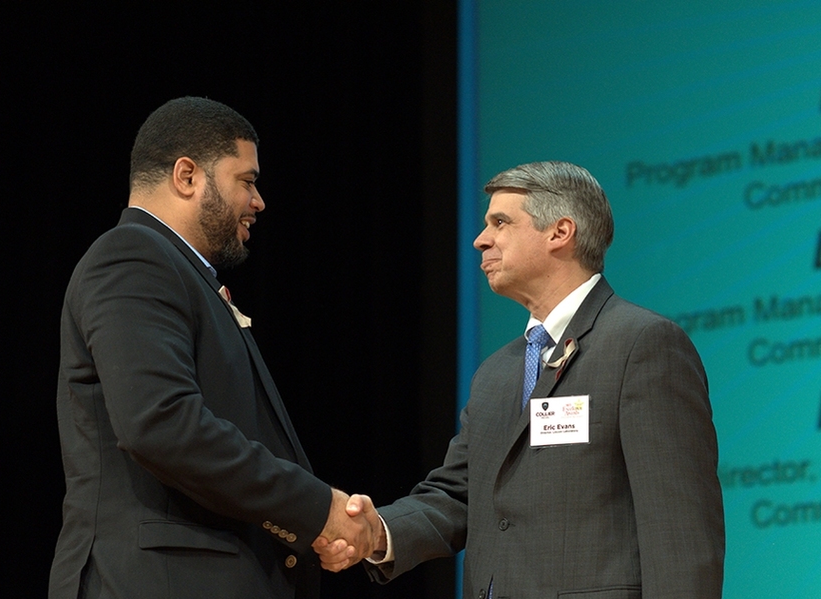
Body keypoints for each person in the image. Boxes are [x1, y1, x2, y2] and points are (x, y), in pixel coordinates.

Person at [317, 161, 725, 598]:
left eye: (500, 222)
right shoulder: (496, 373)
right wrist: (377, 532)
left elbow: (680, 532)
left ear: (560, 232)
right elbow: (459, 496)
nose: (480, 239)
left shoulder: (641, 344)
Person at [48, 97, 379, 599]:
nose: (259, 200)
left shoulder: (180, 273)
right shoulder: (133, 257)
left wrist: (307, 524)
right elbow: (161, 424)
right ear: (187, 175)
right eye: (246, 180)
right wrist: (318, 508)